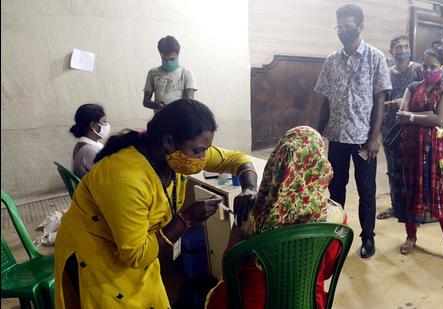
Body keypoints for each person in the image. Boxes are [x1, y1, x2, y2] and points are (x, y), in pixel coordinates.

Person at [54, 99, 258, 308]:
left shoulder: (174, 155)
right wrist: (186, 219)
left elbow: (237, 159)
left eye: (206, 150)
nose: (203, 158)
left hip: (137, 246)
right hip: (96, 255)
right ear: (169, 141)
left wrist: (249, 188)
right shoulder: (125, 178)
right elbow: (136, 255)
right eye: (198, 150)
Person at [205, 126, 346, 309]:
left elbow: (229, 264)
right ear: (319, 164)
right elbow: (327, 271)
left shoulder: (250, 211)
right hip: (307, 302)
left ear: (276, 163)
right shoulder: (335, 218)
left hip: (252, 303)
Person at [314, 3, 392, 258]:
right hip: (336, 137)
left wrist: (374, 138)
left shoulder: (375, 57)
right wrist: (316, 133)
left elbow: (379, 99)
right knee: (335, 189)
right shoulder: (331, 60)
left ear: (360, 27)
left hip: (362, 140)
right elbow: (325, 99)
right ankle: (335, 234)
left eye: (348, 27)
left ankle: (367, 237)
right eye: (340, 27)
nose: (343, 32)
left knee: (366, 190)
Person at [395, 48, 443, 267]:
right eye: (425, 66)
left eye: (433, 66)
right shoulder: (413, 87)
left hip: (436, 151)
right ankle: (411, 237)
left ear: (442, 68)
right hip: (411, 148)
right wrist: (424, 115)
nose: (428, 70)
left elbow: (440, 119)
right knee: (411, 192)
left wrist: (413, 116)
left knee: (441, 195)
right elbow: (401, 116)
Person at [376, 34, 422, 220]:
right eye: (398, 47)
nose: (403, 50)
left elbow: (427, 95)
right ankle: (396, 206)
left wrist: (406, 102)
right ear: (391, 51)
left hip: (412, 126)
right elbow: (381, 98)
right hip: (390, 127)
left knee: (413, 168)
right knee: (393, 169)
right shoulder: (386, 72)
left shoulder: (418, 70)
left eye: (406, 46)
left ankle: (415, 208)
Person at [143, 35, 197, 114]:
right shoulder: (152, 73)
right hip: (159, 118)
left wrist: (173, 108)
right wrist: (156, 105)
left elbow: (189, 102)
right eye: (165, 59)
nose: (168, 62)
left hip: (180, 119)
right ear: (160, 55)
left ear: (178, 55)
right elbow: (145, 102)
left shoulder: (186, 73)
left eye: (172, 59)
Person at [69, 104, 110, 178]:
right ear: (93, 125)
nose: (107, 124)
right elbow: (108, 175)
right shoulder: (90, 150)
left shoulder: (82, 144)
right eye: (104, 121)